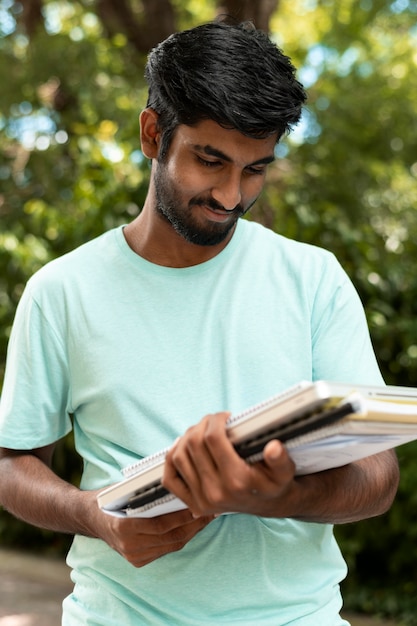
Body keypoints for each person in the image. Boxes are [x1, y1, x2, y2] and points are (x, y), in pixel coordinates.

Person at [0, 19, 399, 626]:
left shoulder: (313, 279)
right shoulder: (62, 291)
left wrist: (274, 495)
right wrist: (94, 517)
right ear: (153, 133)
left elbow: (378, 477)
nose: (232, 196)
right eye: (210, 160)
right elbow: (11, 463)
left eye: (255, 169)